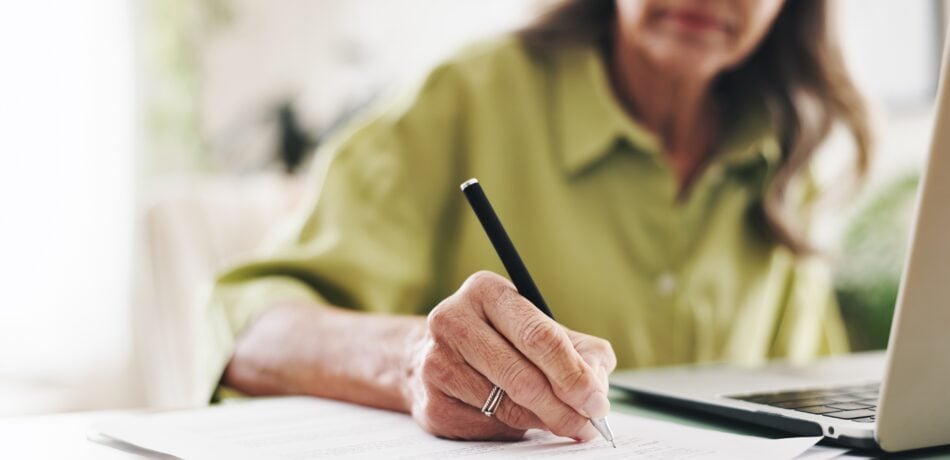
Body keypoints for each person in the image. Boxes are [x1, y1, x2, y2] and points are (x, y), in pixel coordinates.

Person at [206, 0, 871, 443]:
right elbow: (251, 334)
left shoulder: (788, 156)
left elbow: (809, 395)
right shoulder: (463, 99)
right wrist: (412, 361)